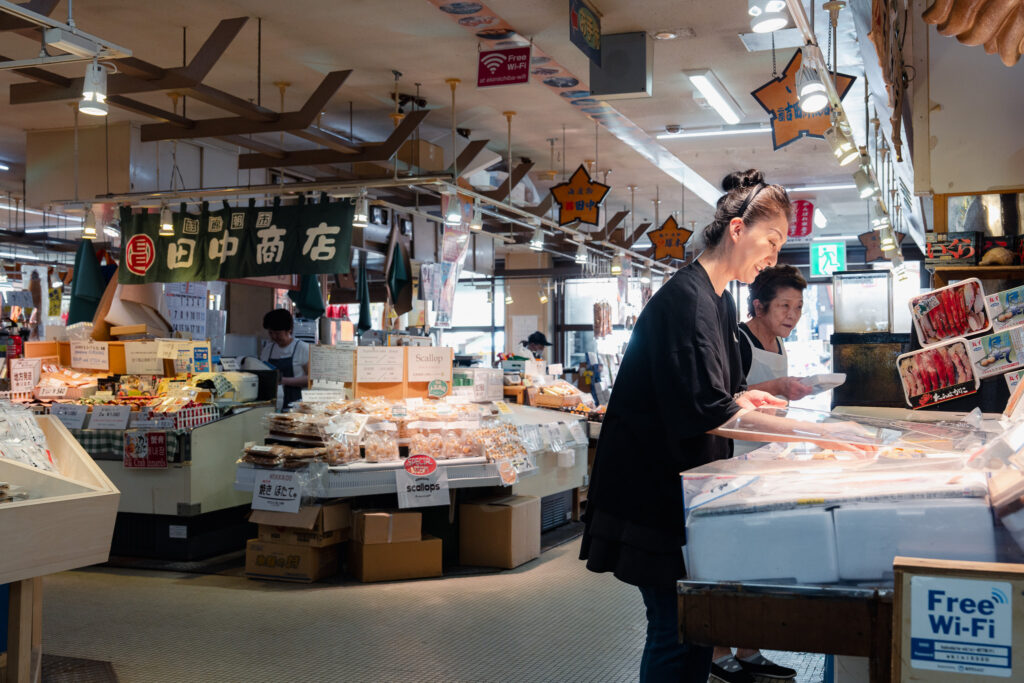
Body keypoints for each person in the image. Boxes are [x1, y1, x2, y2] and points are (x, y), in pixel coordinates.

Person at [580, 169, 868, 683]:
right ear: (737, 230)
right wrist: (824, 433)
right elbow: (711, 411)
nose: (773, 259)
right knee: (674, 629)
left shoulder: (719, 296)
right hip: (650, 495)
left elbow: (713, 393)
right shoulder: (689, 299)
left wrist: (746, 395)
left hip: (684, 490)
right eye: (772, 241)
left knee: (696, 627)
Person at [711, 265, 813, 680]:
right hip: (733, 464)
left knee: (758, 561)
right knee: (725, 560)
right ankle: (719, 655)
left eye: (799, 307)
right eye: (784, 306)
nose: (792, 314)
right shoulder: (737, 340)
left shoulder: (779, 341)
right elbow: (724, 398)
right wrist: (776, 389)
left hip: (768, 463)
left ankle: (750, 650)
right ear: (758, 306)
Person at [260, 308, 310, 412]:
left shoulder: (302, 348)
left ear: (289, 330)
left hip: (297, 406)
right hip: (272, 405)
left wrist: (283, 381)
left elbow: (311, 379)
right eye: (270, 333)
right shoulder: (268, 349)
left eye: (278, 334)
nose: (274, 337)